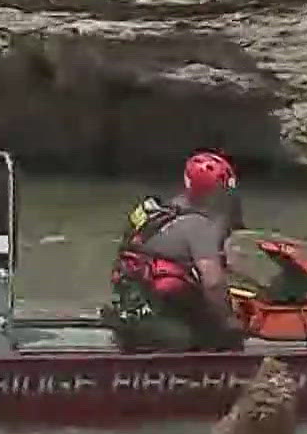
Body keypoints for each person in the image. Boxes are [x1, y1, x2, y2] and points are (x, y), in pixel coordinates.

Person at [104, 150, 247, 353]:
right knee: (217, 334)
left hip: (128, 308)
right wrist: (230, 322)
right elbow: (213, 283)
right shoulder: (198, 226)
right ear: (218, 193)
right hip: (155, 320)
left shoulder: (156, 213)